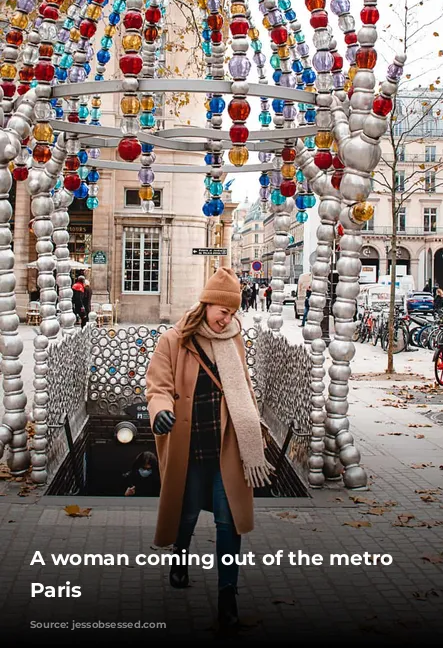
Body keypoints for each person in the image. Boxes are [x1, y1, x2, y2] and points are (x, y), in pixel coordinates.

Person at [146, 267, 272, 632]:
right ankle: (180, 560)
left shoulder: (234, 340)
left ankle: (227, 595)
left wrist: (252, 427)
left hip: (226, 446)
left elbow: (243, 388)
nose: (227, 319)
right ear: (208, 304)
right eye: (223, 311)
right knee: (185, 517)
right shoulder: (174, 340)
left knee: (227, 520)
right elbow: (157, 386)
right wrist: (161, 412)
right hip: (189, 448)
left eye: (232, 313)